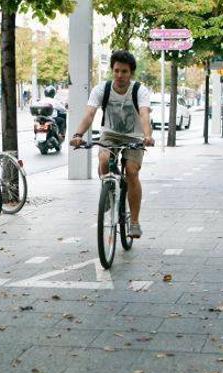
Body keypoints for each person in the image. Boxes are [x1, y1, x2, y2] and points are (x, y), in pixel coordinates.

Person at [69, 50, 154, 238]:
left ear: (131, 72)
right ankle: (108, 190)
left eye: (124, 71)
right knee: (104, 159)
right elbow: (89, 114)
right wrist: (78, 134)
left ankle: (134, 222)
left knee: (132, 171)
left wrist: (147, 135)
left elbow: (144, 114)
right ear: (112, 70)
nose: (120, 75)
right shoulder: (102, 89)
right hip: (110, 135)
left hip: (134, 136)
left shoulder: (140, 90)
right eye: (116, 71)